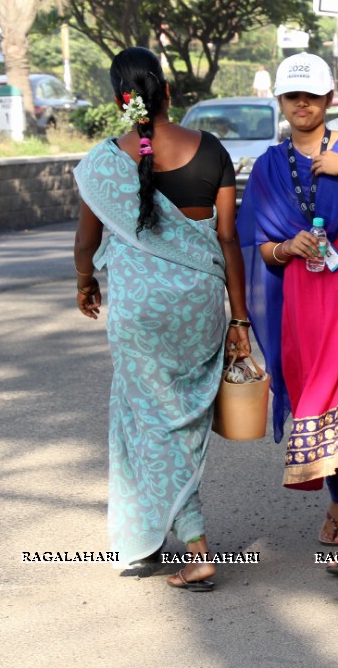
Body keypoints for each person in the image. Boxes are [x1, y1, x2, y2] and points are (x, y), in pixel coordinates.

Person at [72, 47, 251, 591]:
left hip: (138, 311)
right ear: (167, 92)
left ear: (117, 98)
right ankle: (149, 535)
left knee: (148, 420)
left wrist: (85, 281)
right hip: (198, 308)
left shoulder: (104, 161)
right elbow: (227, 239)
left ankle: (194, 548)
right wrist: (239, 320)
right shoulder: (211, 149)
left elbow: (86, 242)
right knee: (180, 423)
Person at [237, 53, 338, 578]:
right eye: (292, 96)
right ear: (281, 104)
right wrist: (288, 248)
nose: (302, 104)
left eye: (312, 95)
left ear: (331, 100)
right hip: (306, 300)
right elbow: (259, 248)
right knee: (321, 406)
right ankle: (336, 506)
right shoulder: (266, 167)